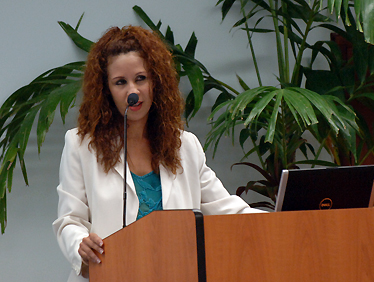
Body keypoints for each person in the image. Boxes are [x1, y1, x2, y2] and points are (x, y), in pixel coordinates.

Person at [52, 25, 264, 282]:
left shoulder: (184, 146)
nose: (133, 91)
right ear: (106, 91)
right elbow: (69, 220)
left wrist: (284, 220)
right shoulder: (81, 145)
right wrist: (81, 245)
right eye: (121, 82)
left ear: (156, 81)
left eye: (141, 78)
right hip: (109, 274)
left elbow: (227, 210)